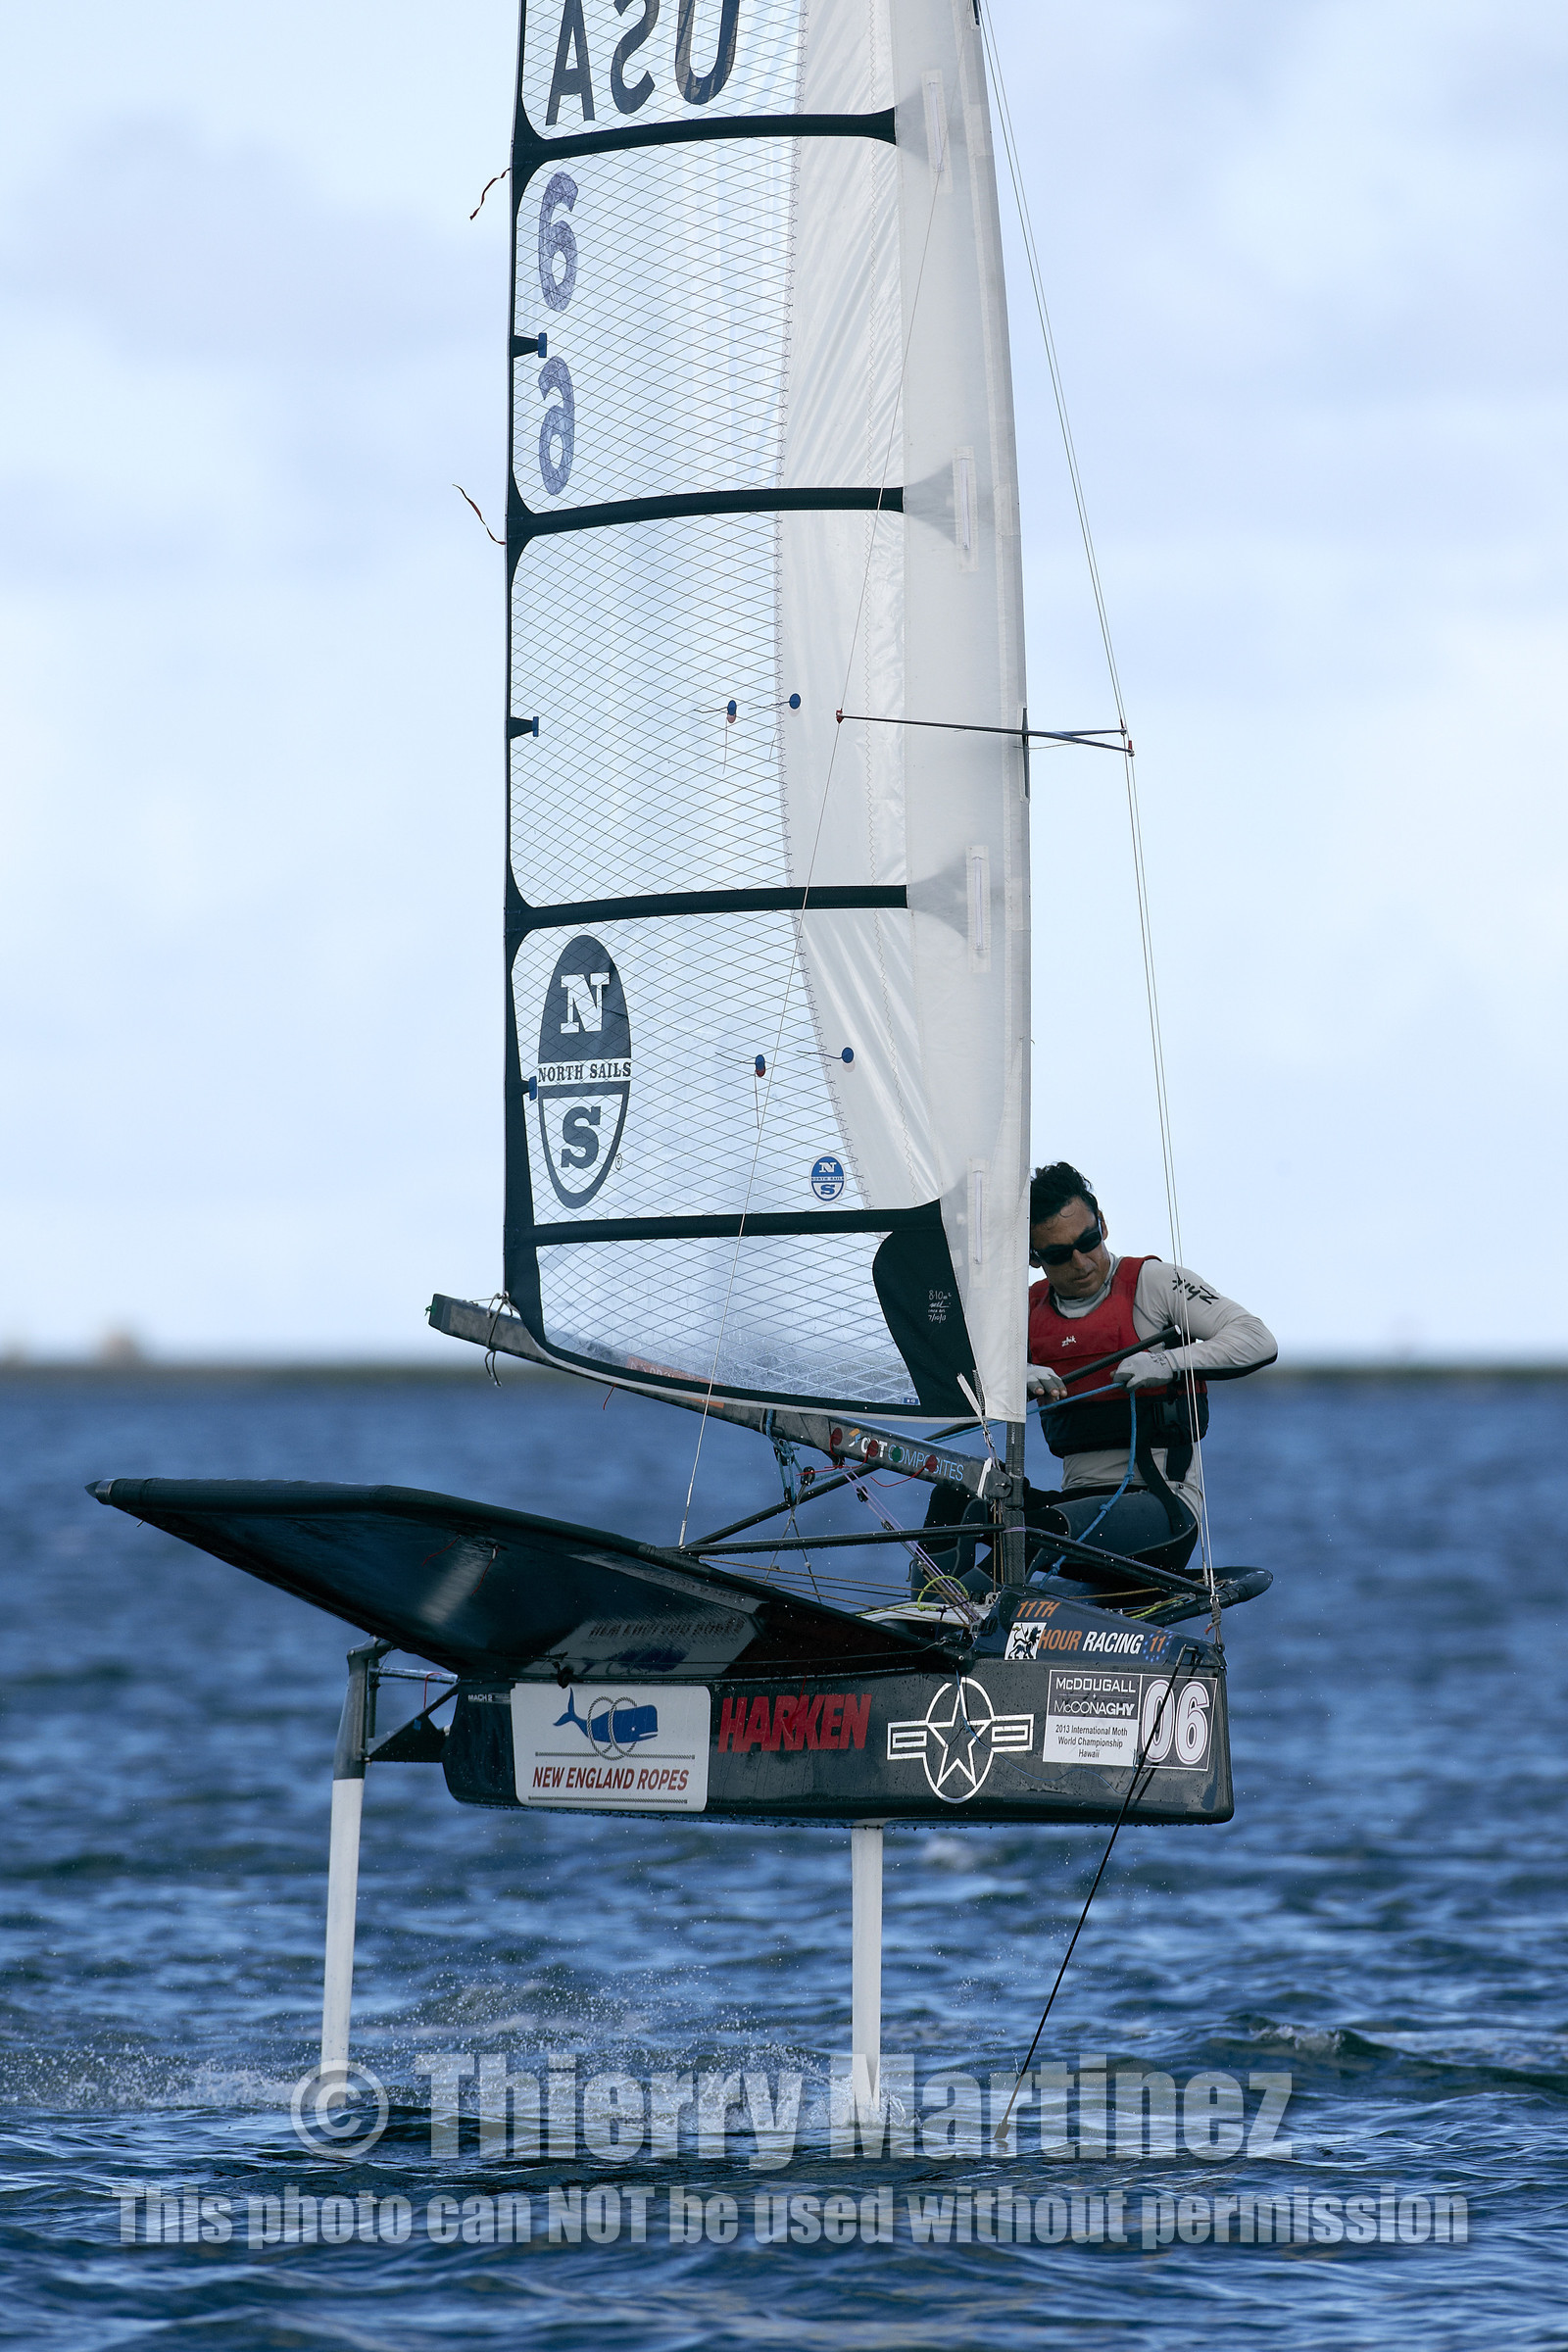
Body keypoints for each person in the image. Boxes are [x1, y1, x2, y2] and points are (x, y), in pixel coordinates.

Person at [1023, 1160, 1276, 1578]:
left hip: (1162, 1516)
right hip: (1078, 1510)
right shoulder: (1024, 1312)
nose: (1082, 1263)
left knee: (1028, 1533)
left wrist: (1166, 1362)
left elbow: (1257, 1338)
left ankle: (973, 1604)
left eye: (1088, 1241)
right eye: (1059, 1255)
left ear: (1103, 1224)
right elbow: (956, 1380)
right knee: (965, 1505)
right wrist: (1009, 1377)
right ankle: (929, 1608)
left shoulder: (1154, 1283)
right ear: (1035, 1257)